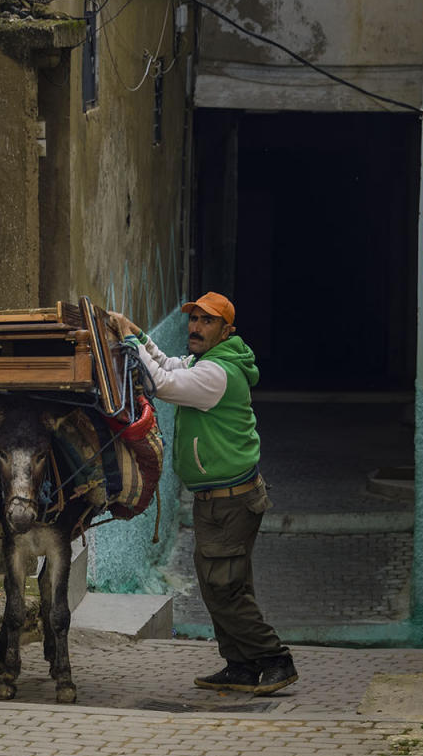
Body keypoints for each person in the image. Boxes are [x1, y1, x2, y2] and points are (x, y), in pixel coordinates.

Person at [109, 292, 298, 695]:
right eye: (193, 319)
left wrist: (128, 345)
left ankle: (275, 659)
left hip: (230, 500)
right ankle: (241, 666)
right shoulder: (205, 362)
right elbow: (168, 364)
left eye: (206, 321)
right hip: (221, 497)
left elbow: (161, 383)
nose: (195, 327)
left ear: (227, 330)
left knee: (224, 587)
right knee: (222, 585)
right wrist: (139, 335)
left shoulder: (217, 374)